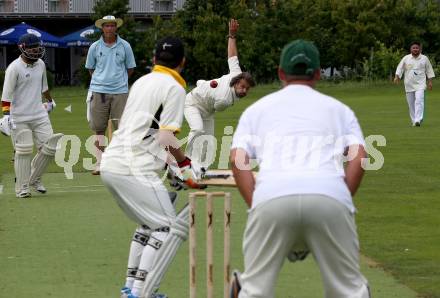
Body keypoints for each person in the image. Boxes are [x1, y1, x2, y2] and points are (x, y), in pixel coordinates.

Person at [230, 39, 370, 298]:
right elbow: (359, 156)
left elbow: (238, 159)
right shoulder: (340, 110)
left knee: (255, 290)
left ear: (281, 73)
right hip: (330, 194)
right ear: (317, 73)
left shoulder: (256, 110)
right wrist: (340, 198)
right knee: (349, 291)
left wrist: (256, 202)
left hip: (271, 195)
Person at [100, 37, 204, 298]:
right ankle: (140, 292)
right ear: (183, 62)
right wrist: (185, 166)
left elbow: (146, 133)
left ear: (155, 59)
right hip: (134, 169)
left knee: (149, 225)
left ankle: (131, 289)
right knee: (167, 229)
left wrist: (173, 167)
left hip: (112, 164)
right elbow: (166, 138)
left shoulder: (141, 82)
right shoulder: (175, 88)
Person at [184, 19, 255, 166]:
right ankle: (184, 162)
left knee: (208, 143)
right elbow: (232, 56)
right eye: (242, 86)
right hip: (192, 103)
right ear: (236, 81)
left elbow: (232, 56)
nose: (244, 90)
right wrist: (232, 36)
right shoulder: (225, 100)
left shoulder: (236, 75)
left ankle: (198, 170)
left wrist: (232, 36)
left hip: (208, 110)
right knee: (197, 129)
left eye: (247, 89)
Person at [0, 33, 62, 198]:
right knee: (23, 151)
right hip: (19, 117)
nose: (36, 51)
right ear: (22, 49)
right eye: (32, 48)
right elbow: (6, 96)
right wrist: (6, 116)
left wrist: (50, 101)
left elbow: (44, 87)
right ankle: (22, 188)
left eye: (38, 48)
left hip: (39, 114)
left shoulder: (40, 64)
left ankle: (34, 179)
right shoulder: (14, 68)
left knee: (50, 147)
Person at [85, 15, 136, 175]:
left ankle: (121, 163)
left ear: (116, 27)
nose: (109, 28)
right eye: (106, 26)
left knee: (122, 129)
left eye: (112, 26)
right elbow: (90, 68)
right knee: (98, 129)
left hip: (120, 91)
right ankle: (100, 162)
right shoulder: (94, 46)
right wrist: (101, 81)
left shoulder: (125, 46)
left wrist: (118, 82)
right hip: (98, 91)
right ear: (102, 28)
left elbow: (130, 68)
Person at [394, 41, 435, 127]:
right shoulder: (406, 58)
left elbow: (429, 70)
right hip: (409, 84)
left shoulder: (424, 58)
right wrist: (397, 77)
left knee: (419, 100)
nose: (415, 49)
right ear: (411, 49)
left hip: (420, 84)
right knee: (411, 104)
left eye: (417, 48)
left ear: (420, 49)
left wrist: (430, 82)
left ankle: (418, 119)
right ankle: (414, 121)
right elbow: (400, 68)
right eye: (414, 48)